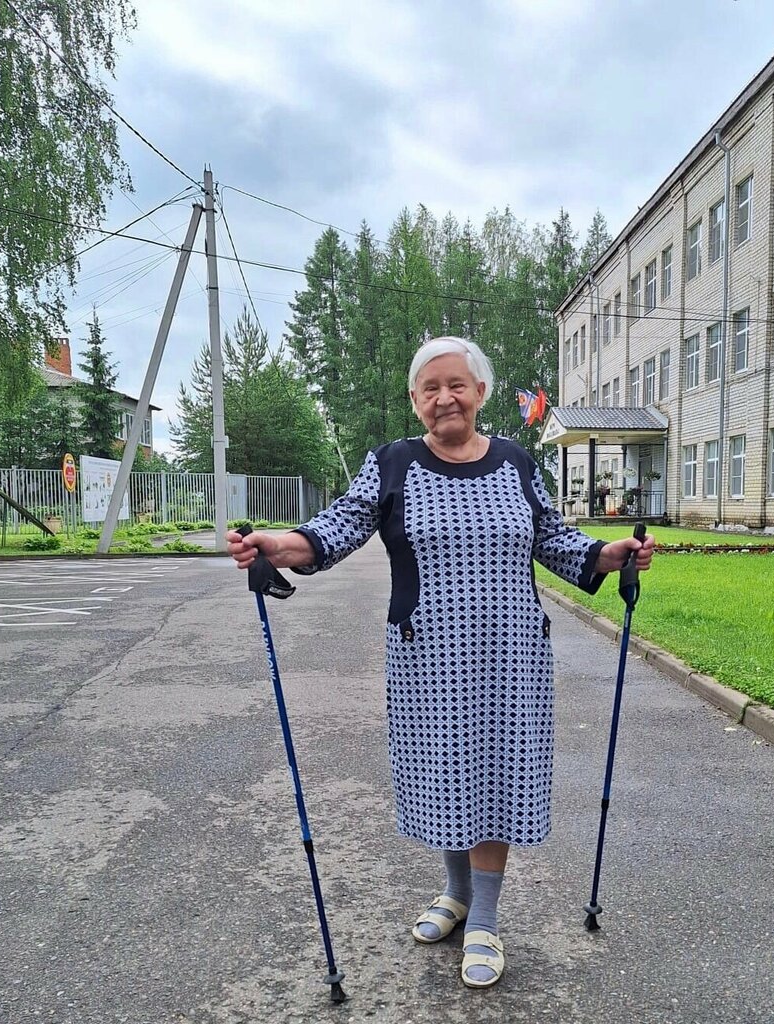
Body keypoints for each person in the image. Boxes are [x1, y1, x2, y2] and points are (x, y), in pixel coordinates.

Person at [227, 336, 654, 989]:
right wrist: (277, 545)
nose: (445, 397)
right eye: (431, 388)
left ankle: (483, 916)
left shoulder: (516, 462)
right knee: (447, 775)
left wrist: (607, 555)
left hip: (513, 655)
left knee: (498, 773)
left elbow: (556, 540)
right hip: (428, 656)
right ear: (414, 399)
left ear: (480, 391)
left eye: (457, 384)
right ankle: (457, 894)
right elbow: (338, 527)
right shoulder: (392, 463)